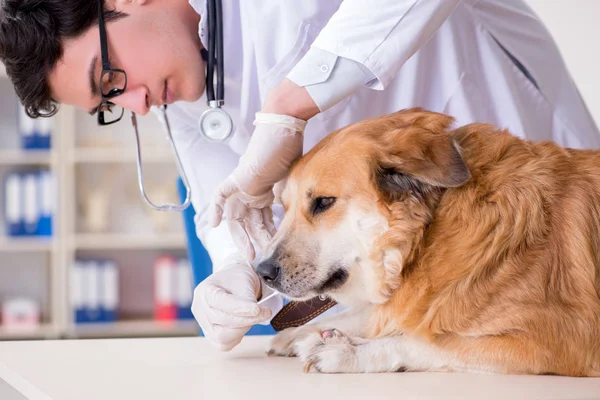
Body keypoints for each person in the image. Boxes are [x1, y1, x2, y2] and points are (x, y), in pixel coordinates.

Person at [2, 0, 599, 352]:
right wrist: (235, 271)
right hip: (406, 273)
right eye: (107, 105)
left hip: (513, 183)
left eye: (111, 79)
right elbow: (226, 197)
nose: (131, 104)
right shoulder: (173, 86)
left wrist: (290, 104)